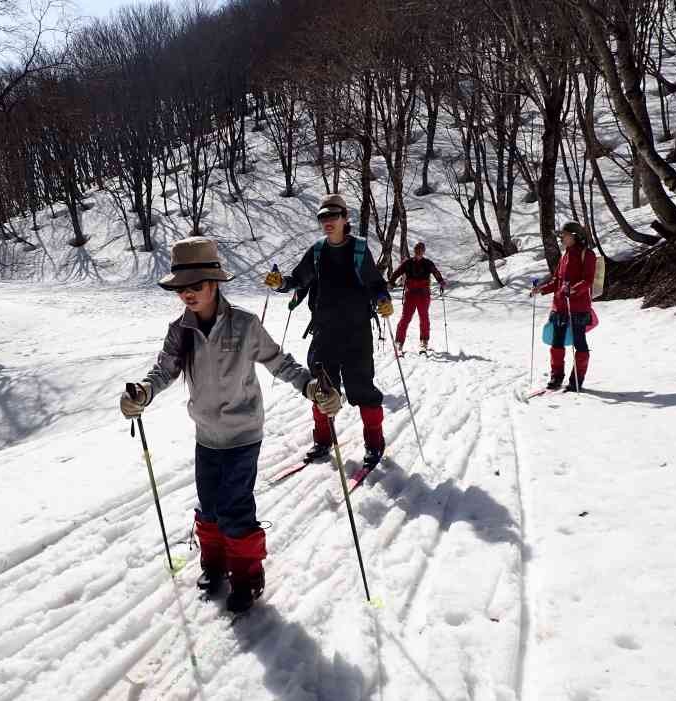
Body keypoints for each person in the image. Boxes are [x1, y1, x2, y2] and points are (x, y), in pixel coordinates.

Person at [120, 236, 340, 613]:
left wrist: (311, 387)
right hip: (206, 436)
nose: (187, 294)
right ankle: (215, 565)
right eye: (180, 288)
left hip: (242, 434)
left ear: (214, 283)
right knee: (209, 506)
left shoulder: (245, 325)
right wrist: (142, 392)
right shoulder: (180, 330)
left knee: (235, 508)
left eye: (194, 286)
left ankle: (247, 574)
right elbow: (163, 370)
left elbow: (280, 362)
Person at [264, 193, 394, 467]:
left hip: (356, 333)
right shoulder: (317, 251)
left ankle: (374, 443)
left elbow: (375, 284)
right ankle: (323, 440)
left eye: (333, 216)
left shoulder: (359, 249)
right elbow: (297, 280)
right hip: (324, 332)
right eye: (322, 217)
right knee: (322, 387)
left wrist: (383, 300)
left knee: (361, 389)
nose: (327, 222)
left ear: (345, 218)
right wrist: (279, 284)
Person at [532, 221, 597, 391]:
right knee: (556, 343)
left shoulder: (587, 254)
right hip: (560, 306)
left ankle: (577, 380)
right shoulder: (565, 255)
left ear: (575, 236)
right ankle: (556, 377)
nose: (561, 238)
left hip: (578, 308)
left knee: (579, 342)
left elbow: (588, 280)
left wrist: (573, 290)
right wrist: (541, 289)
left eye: (564, 235)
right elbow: (557, 281)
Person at [389, 241, 446, 355]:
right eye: (417, 251)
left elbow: (435, 272)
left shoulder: (428, 263)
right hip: (410, 294)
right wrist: (391, 282)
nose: (418, 253)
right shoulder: (408, 263)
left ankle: (424, 341)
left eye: (420, 251)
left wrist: (441, 281)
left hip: (424, 294)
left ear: (423, 252)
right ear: (414, 251)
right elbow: (397, 272)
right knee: (405, 318)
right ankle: (399, 342)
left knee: (424, 318)